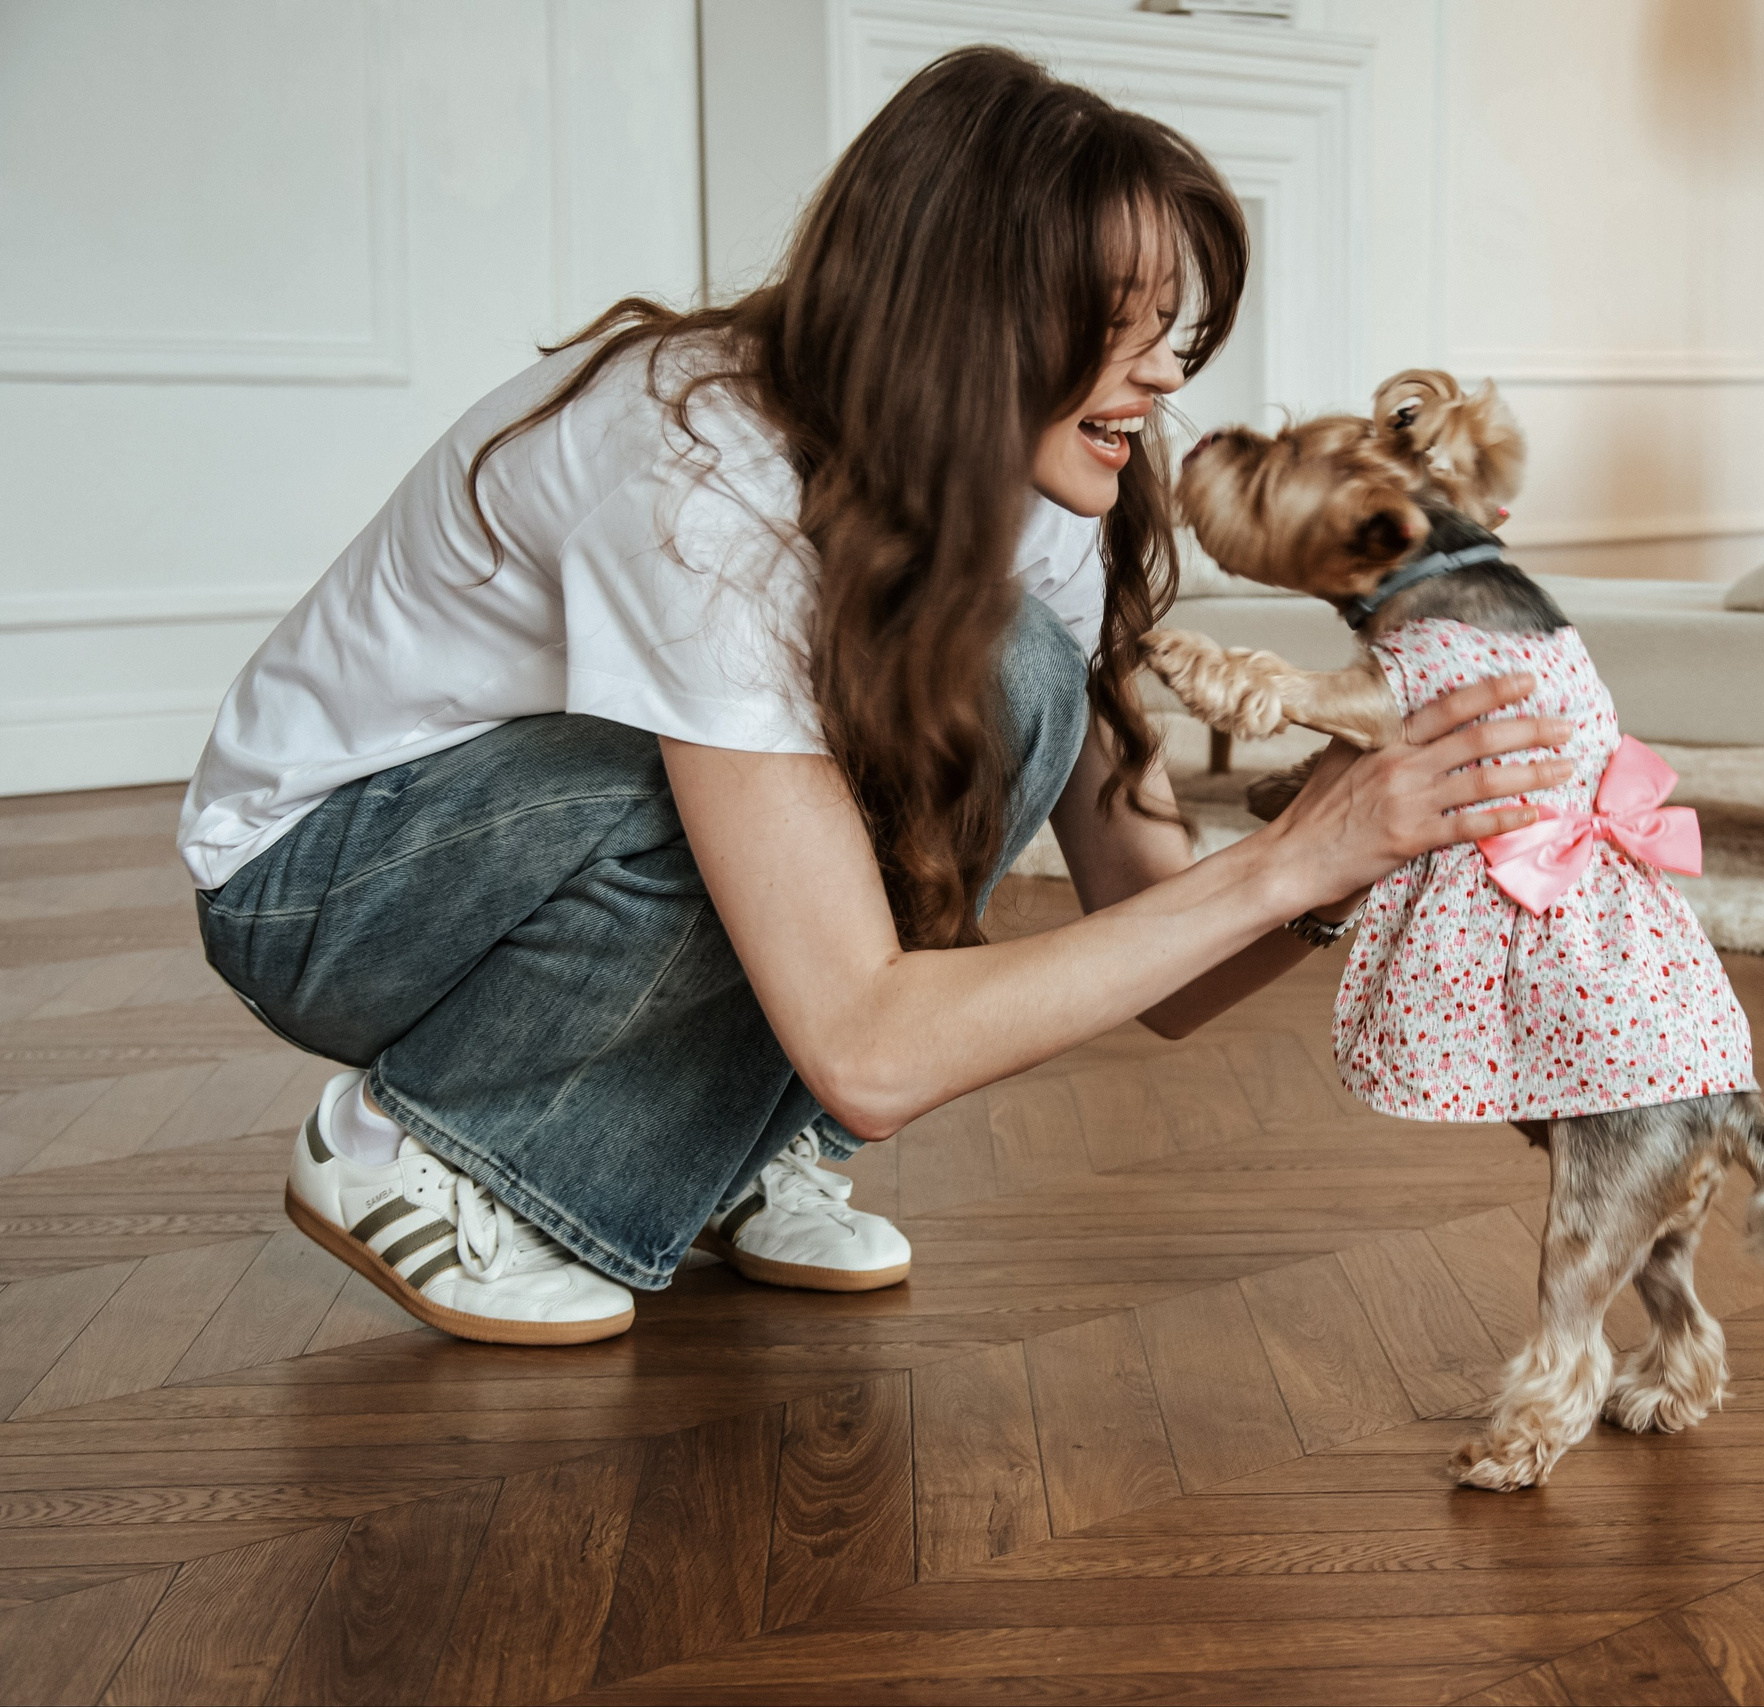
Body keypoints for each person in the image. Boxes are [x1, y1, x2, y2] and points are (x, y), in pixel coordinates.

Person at [178, 47, 1571, 1346]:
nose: (1164, 371)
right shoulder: (698, 476)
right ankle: (405, 1153)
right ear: (964, 317)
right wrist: (1284, 862)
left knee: (1009, 670)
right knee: (734, 779)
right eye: (1117, 326)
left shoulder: (1047, 492)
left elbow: (1155, 932)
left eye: (1172, 325)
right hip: (327, 883)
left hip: (517, 845)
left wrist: (1350, 852)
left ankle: (713, 1144)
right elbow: (869, 1052)